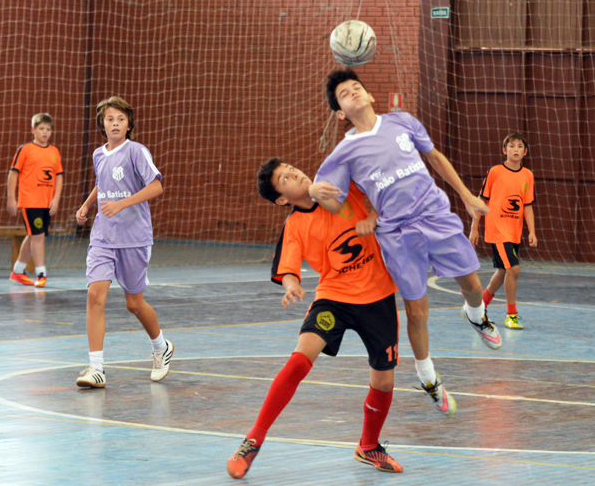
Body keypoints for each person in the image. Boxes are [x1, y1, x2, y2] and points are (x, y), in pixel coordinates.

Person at [312, 68, 502, 417]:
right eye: (344, 94)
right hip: (397, 234)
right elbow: (334, 201)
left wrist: (466, 196)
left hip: (436, 216)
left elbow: (436, 158)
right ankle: (427, 376)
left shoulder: (403, 122)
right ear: (340, 113)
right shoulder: (343, 152)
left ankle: (475, 315)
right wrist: (313, 190)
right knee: (416, 310)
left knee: (473, 286)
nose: (353, 92)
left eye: (357, 87)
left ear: (370, 96)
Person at [227, 158, 403, 479]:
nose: (294, 173)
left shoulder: (339, 189)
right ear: (282, 199)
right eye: (285, 178)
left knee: (383, 379)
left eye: (291, 168)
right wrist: (292, 285)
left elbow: (385, 194)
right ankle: (253, 439)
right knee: (298, 361)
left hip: (378, 295)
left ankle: (369, 445)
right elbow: (288, 269)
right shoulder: (295, 225)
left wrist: (375, 217)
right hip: (334, 297)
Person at [74, 96, 173, 388]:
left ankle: (161, 347)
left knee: (134, 302)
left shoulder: (137, 152)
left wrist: (122, 204)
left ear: (129, 124)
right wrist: (87, 205)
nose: (115, 123)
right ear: (102, 125)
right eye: (109, 119)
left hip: (133, 238)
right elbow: (102, 184)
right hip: (103, 237)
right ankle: (96, 368)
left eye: (120, 118)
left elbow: (156, 186)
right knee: (95, 297)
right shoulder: (98, 155)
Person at [469, 133, 536, 330]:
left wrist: (532, 231)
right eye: (511, 146)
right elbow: (481, 201)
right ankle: (511, 314)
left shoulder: (528, 175)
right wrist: (475, 228)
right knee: (514, 269)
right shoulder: (495, 172)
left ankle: (478, 307)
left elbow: (528, 205)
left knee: (502, 272)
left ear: (525, 152)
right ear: (504, 150)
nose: (515, 149)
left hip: (514, 231)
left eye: (519, 146)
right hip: (497, 229)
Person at [7, 113, 64, 288]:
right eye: (41, 129)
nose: (45, 132)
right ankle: (41, 273)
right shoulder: (25, 149)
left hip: (46, 202)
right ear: (33, 130)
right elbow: (13, 173)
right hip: (30, 201)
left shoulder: (54, 151)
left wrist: (56, 199)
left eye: (48, 129)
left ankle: (18, 271)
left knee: (34, 235)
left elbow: (59, 176)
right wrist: (11, 198)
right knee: (38, 236)